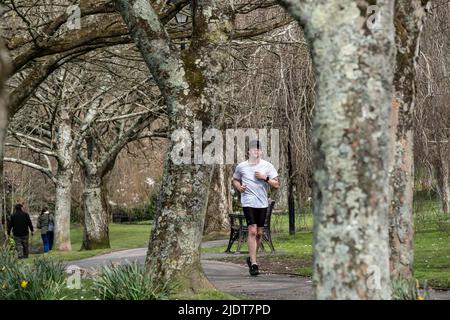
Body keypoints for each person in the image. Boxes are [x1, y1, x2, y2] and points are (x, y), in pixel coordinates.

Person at [232, 140, 279, 276]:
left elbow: (276, 185)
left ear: (261, 152)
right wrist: (239, 187)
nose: (256, 152)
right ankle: (254, 263)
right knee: (252, 231)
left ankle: (252, 258)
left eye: (258, 150)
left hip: (262, 203)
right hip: (248, 201)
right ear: (249, 152)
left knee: (259, 233)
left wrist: (266, 178)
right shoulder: (242, 166)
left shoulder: (267, 166)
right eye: (253, 150)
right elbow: (234, 179)